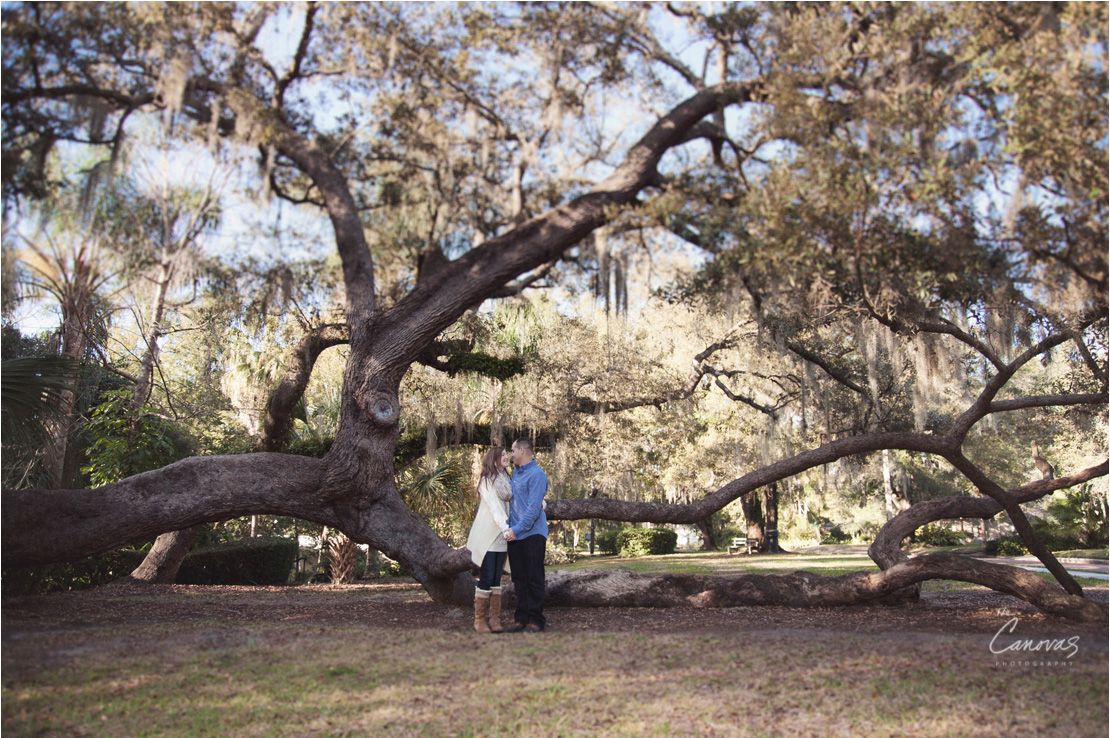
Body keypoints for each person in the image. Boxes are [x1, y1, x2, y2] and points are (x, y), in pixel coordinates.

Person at [465, 446, 513, 633]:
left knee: (496, 577)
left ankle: (494, 619)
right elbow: (495, 508)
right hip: (489, 535)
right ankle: (479, 621)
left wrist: (541, 503)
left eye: (507, 454)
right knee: (486, 576)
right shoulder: (487, 481)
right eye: (502, 455)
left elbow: (518, 500)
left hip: (503, 537)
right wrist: (505, 528)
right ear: (494, 460)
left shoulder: (508, 479)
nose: (507, 456)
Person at [503, 437, 549, 633]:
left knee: (534, 579)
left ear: (522, 451)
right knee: (519, 580)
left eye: (512, 451)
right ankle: (520, 619)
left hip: (532, 535)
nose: (511, 454)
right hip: (516, 535)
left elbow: (532, 511)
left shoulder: (537, 475)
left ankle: (536, 620)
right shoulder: (514, 474)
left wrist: (516, 530)